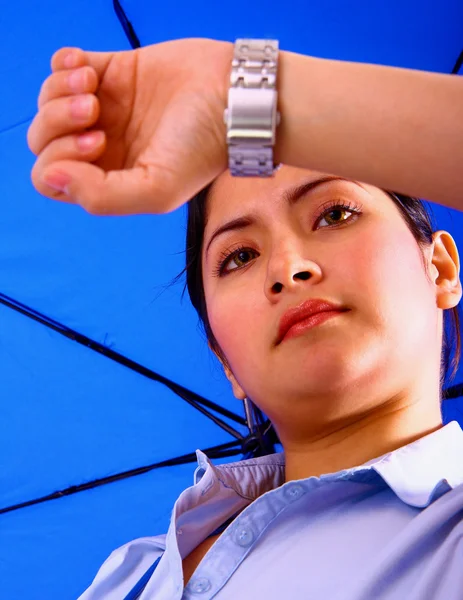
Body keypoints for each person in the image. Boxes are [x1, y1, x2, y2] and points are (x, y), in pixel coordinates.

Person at [27, 38, 463, 599]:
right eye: (240, 256)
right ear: (224, 361)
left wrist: (244, 93)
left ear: (441, 269)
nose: (287, 267)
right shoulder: (131, 574)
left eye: (334, 213)